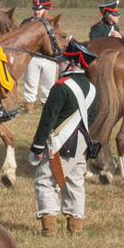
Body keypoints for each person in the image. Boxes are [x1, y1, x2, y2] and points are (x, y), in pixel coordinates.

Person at [28, 40, 96, 236]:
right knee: (75, 183)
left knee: (45, 181)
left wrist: (38, 146)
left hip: (61, 142)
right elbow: (91, 118)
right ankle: (76, 228)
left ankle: (49, 229)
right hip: (82, 142)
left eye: (63, 61)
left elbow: (48, 118)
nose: (59, 63)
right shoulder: (92, 88)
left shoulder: (61, 86)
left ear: (73, 64)